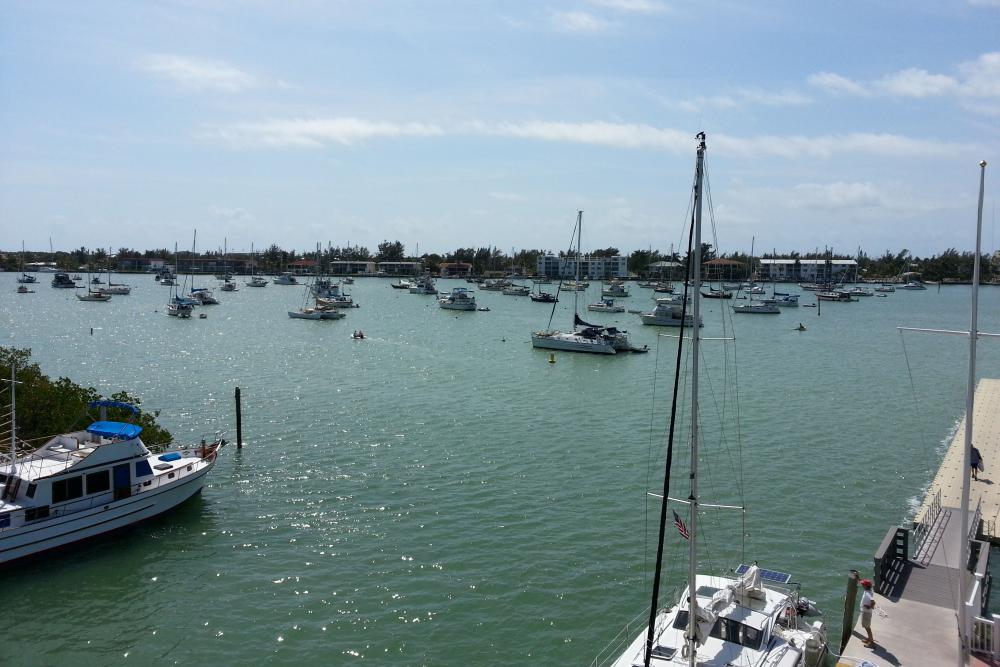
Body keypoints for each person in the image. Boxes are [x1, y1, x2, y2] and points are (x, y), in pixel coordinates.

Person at [859, 578, 876, 647]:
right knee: (867, 627)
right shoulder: (869, 590)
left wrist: (869, 606)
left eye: (863, 585)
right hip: (866, 612)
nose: (862, 585)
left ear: (866, 586)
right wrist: (858, 577)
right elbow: (861, 581)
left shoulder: (868, 593)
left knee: (867, 627)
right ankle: (869, 639)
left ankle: (871, 643)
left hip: (866, 613)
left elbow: (873, 601)